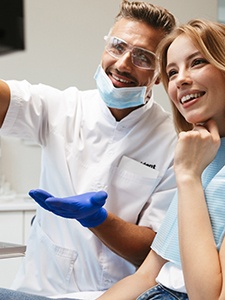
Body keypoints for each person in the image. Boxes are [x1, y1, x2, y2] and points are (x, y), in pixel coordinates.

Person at [96, 19, 225, 300]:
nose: (180, 79)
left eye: (197, 62)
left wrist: (189, 178)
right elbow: (147, 275)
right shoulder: (203, 153)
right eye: (172, 72)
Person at [0, 0, 177, 298]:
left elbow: (152, 252)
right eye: (117, 47)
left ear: (160, 75)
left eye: (143, 57)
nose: (123, 64)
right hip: (37, 287)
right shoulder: (63, 108)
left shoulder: (171, 141)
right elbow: (9, 99)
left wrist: (99, 219)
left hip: (111, 293)